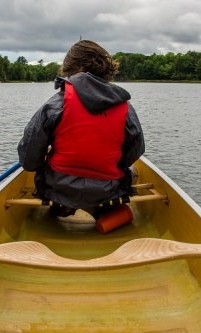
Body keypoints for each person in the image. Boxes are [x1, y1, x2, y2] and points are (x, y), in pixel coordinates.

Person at [17, 39, 145, 218]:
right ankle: (97, 206)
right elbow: (134, 151)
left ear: (69, 69)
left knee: (46, 169)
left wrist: (46, 157)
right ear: (106, 70)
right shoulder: (124, 107)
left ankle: (68, 205)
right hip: (108, 189)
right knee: (133, 170)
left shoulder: (56, 103)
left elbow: (29, 161)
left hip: (57, 187)